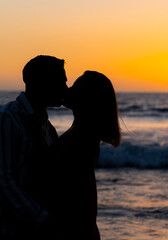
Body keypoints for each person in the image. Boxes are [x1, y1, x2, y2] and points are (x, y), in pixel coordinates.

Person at [0, 55, 68, 240]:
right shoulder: (5, 119)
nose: (65, 88)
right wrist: (42, 219)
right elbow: (2, 181)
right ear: (40, 83)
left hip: (17, 230)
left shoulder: (45, 127)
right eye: (60, 81)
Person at [44, 71, 121, 240]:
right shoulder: (83, 132)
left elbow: (61, 187)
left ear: (88, 99)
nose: (68, 90)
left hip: (75, 230)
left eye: (75, 88)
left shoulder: (82, 136)